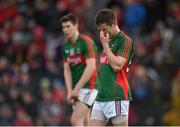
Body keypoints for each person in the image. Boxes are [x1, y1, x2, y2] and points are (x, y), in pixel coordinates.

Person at [89, 8, 135, 126]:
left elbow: (117, 66)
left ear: (114, 25)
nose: (102, 33)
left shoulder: (125, 41)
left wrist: (104, 44)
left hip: (116, 96)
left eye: (104, 29)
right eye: (100, 30)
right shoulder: (108, 41)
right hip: (101, 96)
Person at [60, 13, 98, 126]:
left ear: (76, 25)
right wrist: (69, 91)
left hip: (89, 88)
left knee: (75, 120)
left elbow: (91, 67)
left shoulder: (86, 42)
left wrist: (77, 88)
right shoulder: (66, 47)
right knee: (86, 122)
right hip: (76, 90)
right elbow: (67, 70)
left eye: (68, 26)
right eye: (63, 27)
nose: (65, 30)